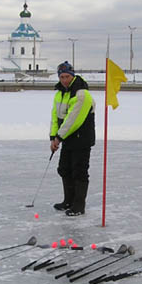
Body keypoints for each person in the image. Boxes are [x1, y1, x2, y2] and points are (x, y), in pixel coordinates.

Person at [49, 61, 96, 216]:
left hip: (81, 138)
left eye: (67, 76)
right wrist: (52, 137)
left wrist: (59, 137)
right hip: (67, 138)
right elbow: (56, 117)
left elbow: (73, 120)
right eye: (61, 77)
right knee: (64, 169)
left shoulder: (82, 94)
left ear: (73, 75)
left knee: (79, 171)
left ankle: (78, 206)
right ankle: (68, 201)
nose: (64, 80)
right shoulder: (60, 93)